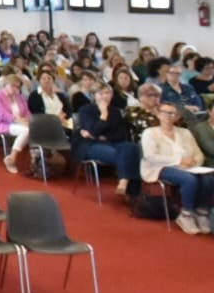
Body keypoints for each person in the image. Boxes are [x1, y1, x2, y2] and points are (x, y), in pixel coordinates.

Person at [141, 104, 214, 234]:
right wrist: (178, 161)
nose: (169, 116)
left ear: (177, 117)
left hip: (188, 167)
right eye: (165, 112)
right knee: (189, 180)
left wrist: (193, 162)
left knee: (208, 178)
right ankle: (186, 214)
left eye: (172, 113)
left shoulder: (185, 132)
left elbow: (198, 154)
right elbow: (150, 156)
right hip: (160, 167)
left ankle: (202, 212)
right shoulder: (150, 133)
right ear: (158, 114)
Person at [72, 84, 142, 198]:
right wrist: (104, 114)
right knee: (123, 155)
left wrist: (105, 137)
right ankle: (130, 191)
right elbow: (93, 132)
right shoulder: (86, 110)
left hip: (112, 142)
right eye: (100, 93)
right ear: (94, 96)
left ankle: (124, 183)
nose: (104, 96)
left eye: (107, 93)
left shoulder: (116, 111)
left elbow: (121, 134)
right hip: (90, 145)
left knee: (132, 147)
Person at [0, 71, 32, 175]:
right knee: (26, 131)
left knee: (32, 129)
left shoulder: (19, 96)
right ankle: (12, 158)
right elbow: (1, 114)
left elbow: (27, 111)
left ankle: (20, 159)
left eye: (18, 87)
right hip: (2, 124)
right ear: (5, 84)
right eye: (13, 86)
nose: (15, 89)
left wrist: (27, 120)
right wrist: (17, 120)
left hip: (19, 123)